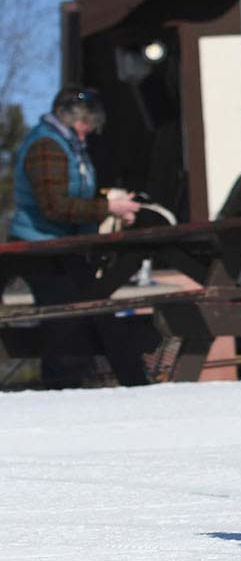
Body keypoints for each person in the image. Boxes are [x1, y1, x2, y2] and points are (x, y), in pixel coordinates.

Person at [8, 86, 148, 388]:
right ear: (69, 117)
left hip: (64, 246)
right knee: (68, 319)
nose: (88, 131)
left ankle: (128, 382)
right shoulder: (46, 145)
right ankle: (63, 390)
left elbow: (75, 199)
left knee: (93, 310)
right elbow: (54, 205)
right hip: (38, 247)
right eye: (85, 124)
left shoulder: (70, 146)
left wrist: (112, 211)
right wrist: (106, 208)